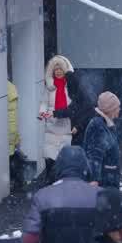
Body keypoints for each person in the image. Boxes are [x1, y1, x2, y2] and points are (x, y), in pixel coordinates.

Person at [34, 55, 92, 188]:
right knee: (49, 157)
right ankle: (50, 183)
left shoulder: (71, 87)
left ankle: (63, 183)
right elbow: (44, 102)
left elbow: (75, 108)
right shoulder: (49, 88)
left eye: (61, 69)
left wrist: (76, 124)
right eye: (56, 69)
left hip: (66, 126)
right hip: (51, 126)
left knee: (65, 157)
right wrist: (42, 112)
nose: (58, 71)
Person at [82, 92, 122, 189]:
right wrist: (94, 179)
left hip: (108, 179)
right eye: (117, 107)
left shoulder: (106, 124)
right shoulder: (98, 125)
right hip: (104, 182)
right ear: (110, 109)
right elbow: (94, 155)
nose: (119, 109)